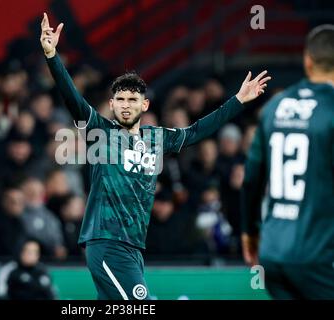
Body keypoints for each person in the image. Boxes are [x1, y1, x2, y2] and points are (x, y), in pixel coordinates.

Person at [40, 12, 270, 300]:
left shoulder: (156, 138)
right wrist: (52, 55)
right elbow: (72, 98)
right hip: (107, 242)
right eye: (120, 100)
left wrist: (237, 101)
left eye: (132, 100)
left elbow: (198, 130)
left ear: (145, 104)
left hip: (134, 246)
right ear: (111, 104)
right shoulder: (101, 131)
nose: (125, 105)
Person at [241, 24, 334, 299]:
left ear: (307, 60)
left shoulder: (275, 106)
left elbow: (251, 179)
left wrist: (249, 232)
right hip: (318, 257)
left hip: (273, 255)